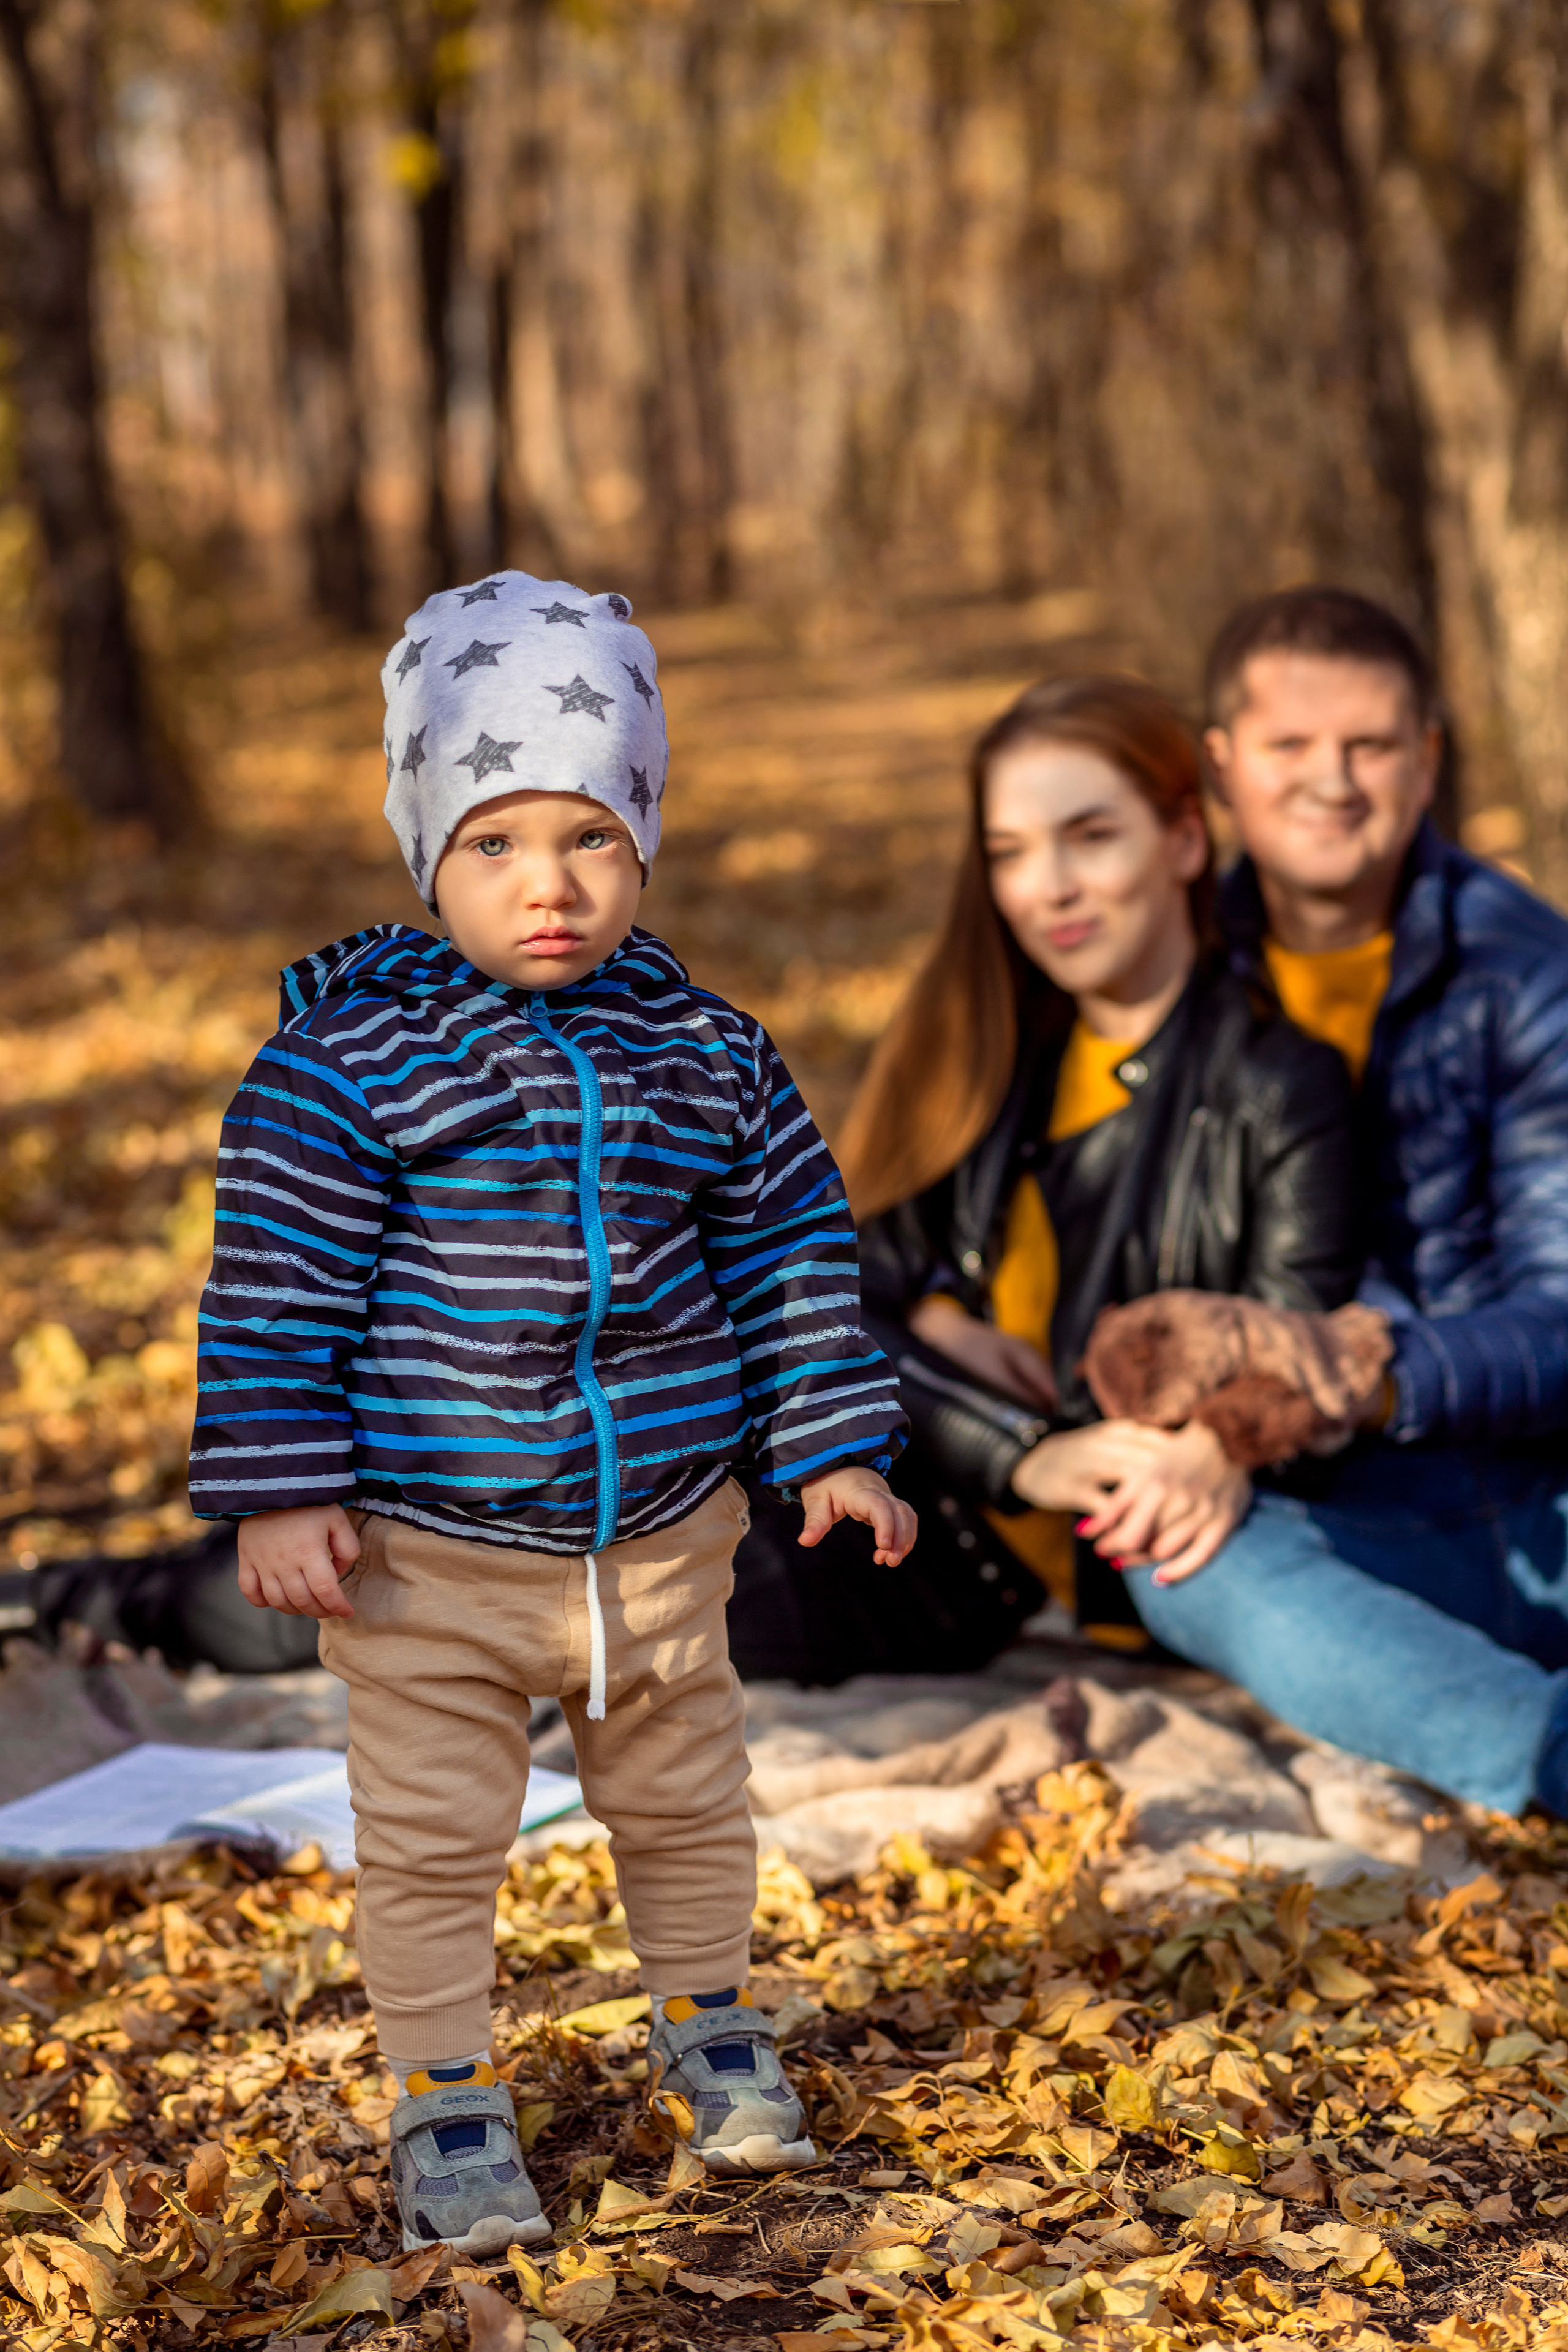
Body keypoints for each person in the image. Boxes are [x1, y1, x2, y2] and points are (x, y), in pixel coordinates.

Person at [187, 570, 911, 2253]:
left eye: (591, 836)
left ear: (645, 835)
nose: (550, 885)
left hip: (661, 1547)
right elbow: (278, 1282)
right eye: (495, 842)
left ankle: (712, 2021)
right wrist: (283, 1489)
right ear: (426, 845)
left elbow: (794, 1253)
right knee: (433, 1841)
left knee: (687, 1802)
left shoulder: (710, 1054)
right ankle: (446, 2092)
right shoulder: (351, 1062)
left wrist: (834, 1442)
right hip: (432, 1557)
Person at [729, 674, 1360, 1681]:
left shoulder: (1282, 1085)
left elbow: (1293, 1352)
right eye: (1011, 856)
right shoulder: (992, 1053)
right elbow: (816, 1295)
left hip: (1067, 1574)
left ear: (1186, 843)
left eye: (1092, 836)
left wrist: (1205, 1443)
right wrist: (963, 1362)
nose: (1049, 887)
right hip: (906, 1511)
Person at [1125, 587, 1568, 1819]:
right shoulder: (1167, 967)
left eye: (1368, 746)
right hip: (1338, 1501)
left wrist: (1358, 1372)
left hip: (1529, 1478)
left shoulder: (1526, 977)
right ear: (1220, 767)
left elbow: (1561, 1312)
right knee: (1175, 1563)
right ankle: (1540, 1747)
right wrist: (1207, 1431)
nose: (1331, 781)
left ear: (1424, 761)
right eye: (1287, 748)